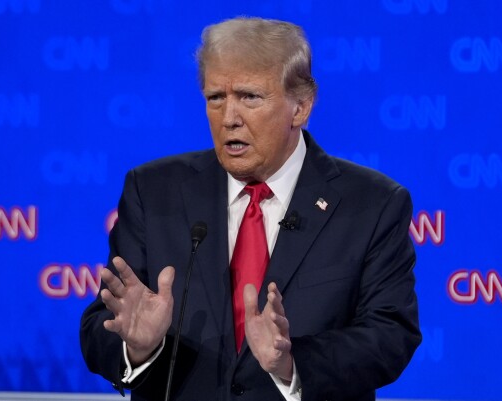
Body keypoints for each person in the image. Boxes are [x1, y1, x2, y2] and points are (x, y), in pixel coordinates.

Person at [80, 17, 421, 401]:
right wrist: (138, 348)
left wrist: (291, 364)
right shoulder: (154, 190)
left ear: (301, 107)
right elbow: (101, 330)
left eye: (250, 97)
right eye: (216, 98)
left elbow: (390, 335)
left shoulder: (372, 203)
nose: (229, 118)